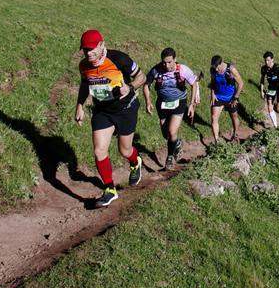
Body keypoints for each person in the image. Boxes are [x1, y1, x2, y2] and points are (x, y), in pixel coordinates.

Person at [74, 29, 148, 208]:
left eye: (92, 49)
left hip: (125, 109)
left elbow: (142, 77)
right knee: (99, 150)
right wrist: (80, 105)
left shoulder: (119, 59)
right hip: (102, 111)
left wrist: (130, 87)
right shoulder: (84, 65)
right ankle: (109, 189)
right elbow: (85, 84)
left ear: (101, 45)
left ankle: (135, 161)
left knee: (125, 150)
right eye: (85, 50)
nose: (88, 53)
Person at [145, 47, 200, 170]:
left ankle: (170, 157)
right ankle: (177, 143)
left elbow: (194, 84)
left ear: (175, 59)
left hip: (179, 102)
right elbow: (146, 84)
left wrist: (192, 104)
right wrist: (148, 101)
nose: (167, 65)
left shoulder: (183, 70)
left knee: (172, 132)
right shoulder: (156, 70)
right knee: (166, 135)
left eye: (169, 62)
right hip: (162, 104)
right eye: (164, 62)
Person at [208, 55, 245, 143]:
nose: (216, 69)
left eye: (217, 67)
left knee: (234, 116)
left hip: (230, 98)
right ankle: (217, 142)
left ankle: (235, 134)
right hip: (218, 97)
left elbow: (241, 83)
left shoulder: (231, 69)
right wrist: (212, 94)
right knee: (214, 118)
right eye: (214, 67)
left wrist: (235, 98)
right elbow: (213, 83)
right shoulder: (213, 70)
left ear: (221, 63)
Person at [259, 51, 279, 127]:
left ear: (272, 59)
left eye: (268, 60)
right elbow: (262, 80)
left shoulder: (277, 68)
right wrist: (262, 91)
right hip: (271, 88)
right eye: (265, 60)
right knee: (269, 106)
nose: (266, 62)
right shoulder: (264, 68)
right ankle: (275, 126)